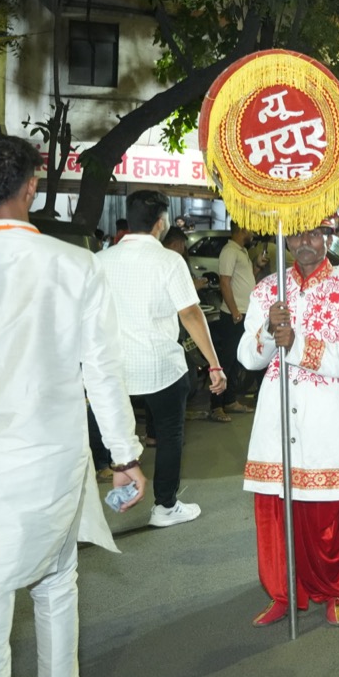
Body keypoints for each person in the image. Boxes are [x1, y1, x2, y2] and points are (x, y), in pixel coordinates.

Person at [0, 134, 148, 677]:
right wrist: (125, 457)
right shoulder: (74, 265)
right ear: (30, 187)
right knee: (56, 581)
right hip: (50, 463)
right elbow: (102, 374)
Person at [238, 215, 339, 629]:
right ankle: (284, 593)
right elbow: (248, 357)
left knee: (327, 514)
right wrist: (266, 329)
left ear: (328, 238)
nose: (305, 242)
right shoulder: (268, 291)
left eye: (314, 233)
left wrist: (298, 345)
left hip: (327, 415)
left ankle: (333, 591)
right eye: (298, 233)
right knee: (275, 510)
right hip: (276, 416)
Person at [95, 189, 225, 528]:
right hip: (160, 367)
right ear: (161, 222)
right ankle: (164, 506)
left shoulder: (101, 259)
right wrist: (213, 363)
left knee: (108, 427)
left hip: (114, 368)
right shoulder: (169, 261)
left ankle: (103, 493)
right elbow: (191, 314)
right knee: (170, 435)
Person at [214, 223, 258, 420]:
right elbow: (224, 282)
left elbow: (243, 281)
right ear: (242, 230)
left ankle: (230, 401)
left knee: (237, 360)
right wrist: (234, 312)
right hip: (234, 315)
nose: (253, 232)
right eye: (250, 229)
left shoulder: (242, 252)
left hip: (243, 313)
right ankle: (216, 406)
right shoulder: (229, 251)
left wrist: (257, 266)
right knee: (226, 361)